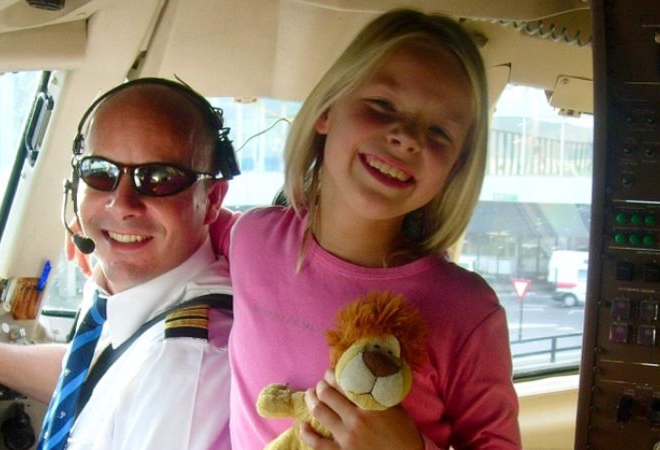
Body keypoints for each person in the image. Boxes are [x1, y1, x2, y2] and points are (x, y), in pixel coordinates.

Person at [213, 9, 521, 450]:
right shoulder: (252, 239)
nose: (408, 137)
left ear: (455, 168)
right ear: (325, 111)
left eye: (438, 131)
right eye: (383, 105)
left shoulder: (467, 312)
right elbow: (186, 232)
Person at [0, 78, 236, 450]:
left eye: (158, 178)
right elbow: (96, 377)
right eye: (101, 173)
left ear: (211, 200)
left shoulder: (185, 365)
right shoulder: (138, 302)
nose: (122, 203)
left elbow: (147, 374)